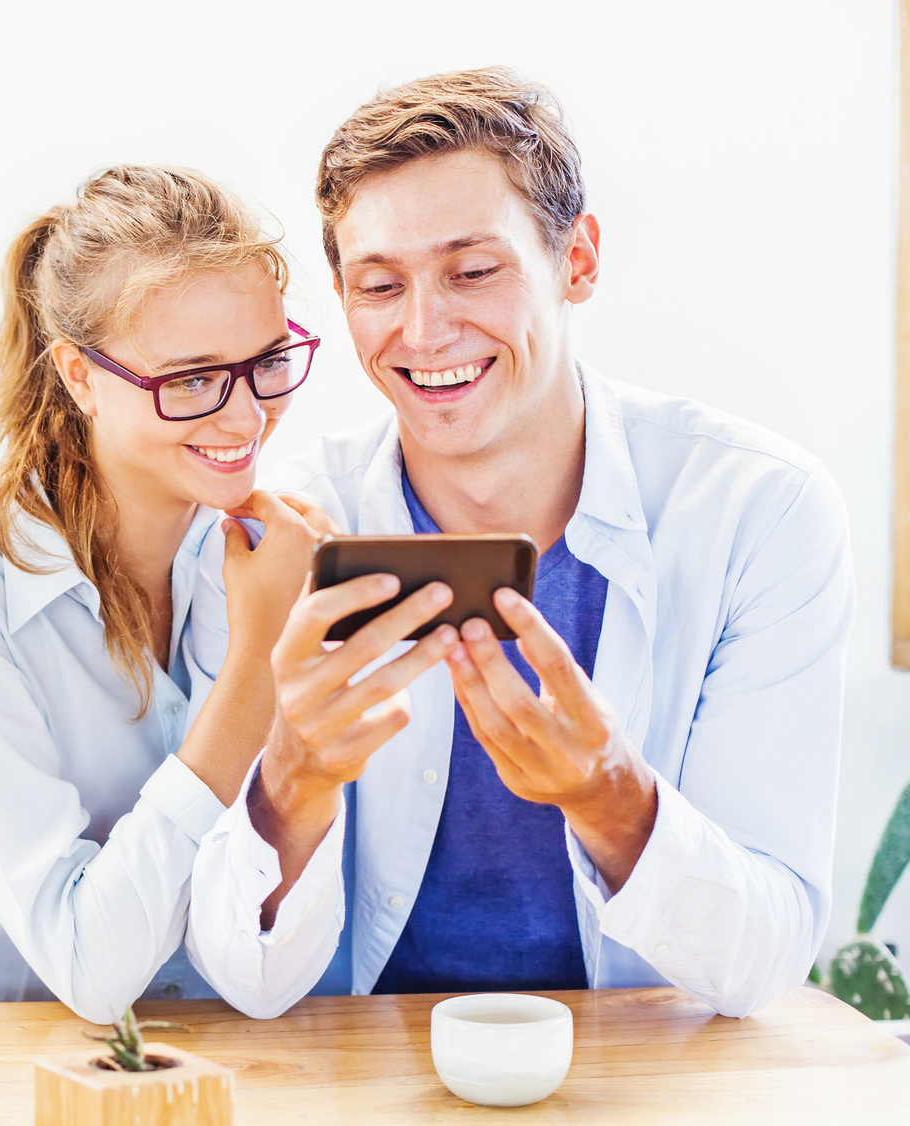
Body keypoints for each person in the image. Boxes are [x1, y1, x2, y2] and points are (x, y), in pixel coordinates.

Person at [183, 68, 854, 1019]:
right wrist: (293, 776)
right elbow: (244, 982)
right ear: (343, 300)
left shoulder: (758, 512)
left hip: (640, 1077)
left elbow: (763, 965)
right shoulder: (281, 537)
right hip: (361, 1075)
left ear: (576, 260)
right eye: (380, 285)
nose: (424, 329)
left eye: (473, 270)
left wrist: (610, 797)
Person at [0, 166, 425, 1020]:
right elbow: (90, 964)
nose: (246, 419)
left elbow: (256, 956)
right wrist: (257, 664)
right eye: (192, 379)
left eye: (267, 363)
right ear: (81, 377)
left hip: (133, 1062)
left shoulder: (252, 557)